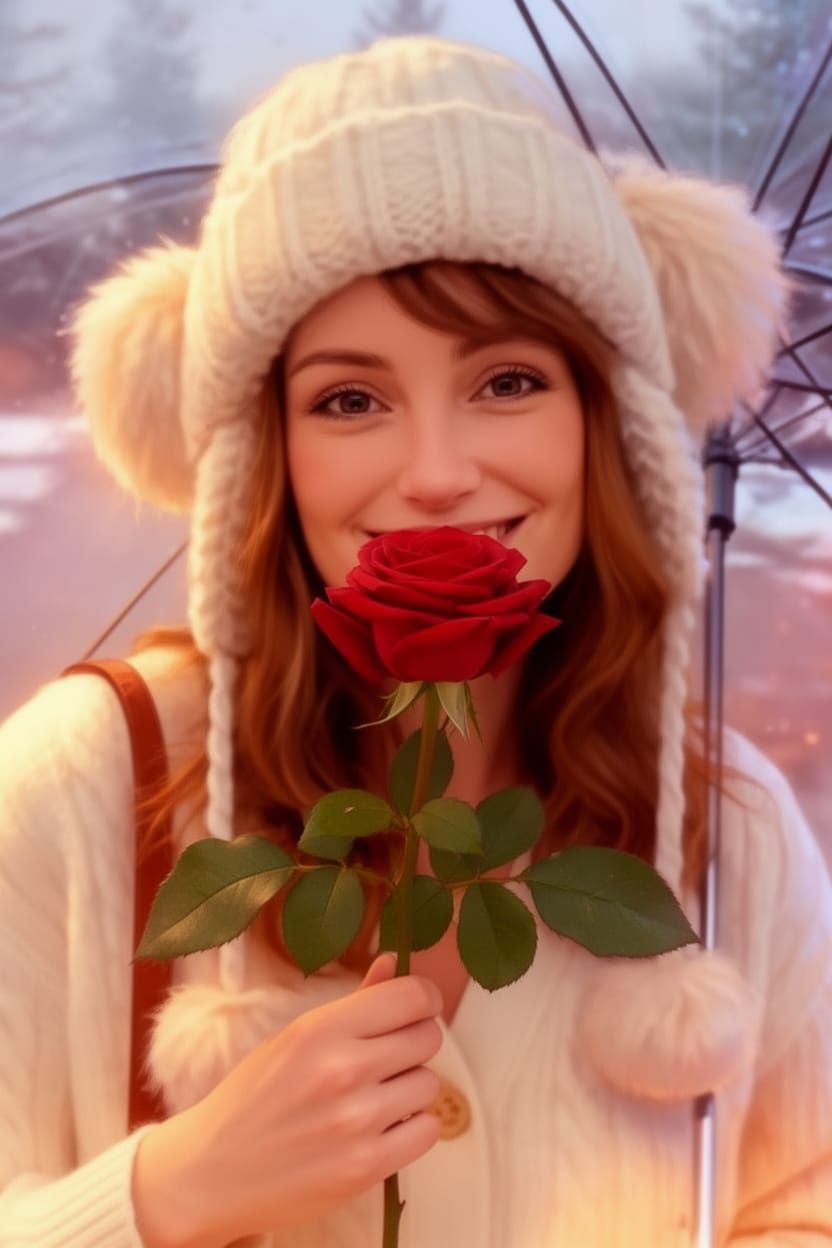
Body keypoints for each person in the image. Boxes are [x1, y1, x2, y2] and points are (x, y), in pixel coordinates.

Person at [1, 33, 831, 1248]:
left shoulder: (728, 837)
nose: (438, 475)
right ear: (263, 459)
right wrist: (161, 1196)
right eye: (350, 399)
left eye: (506, 381)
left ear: (604, 422)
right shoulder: (85, 780)